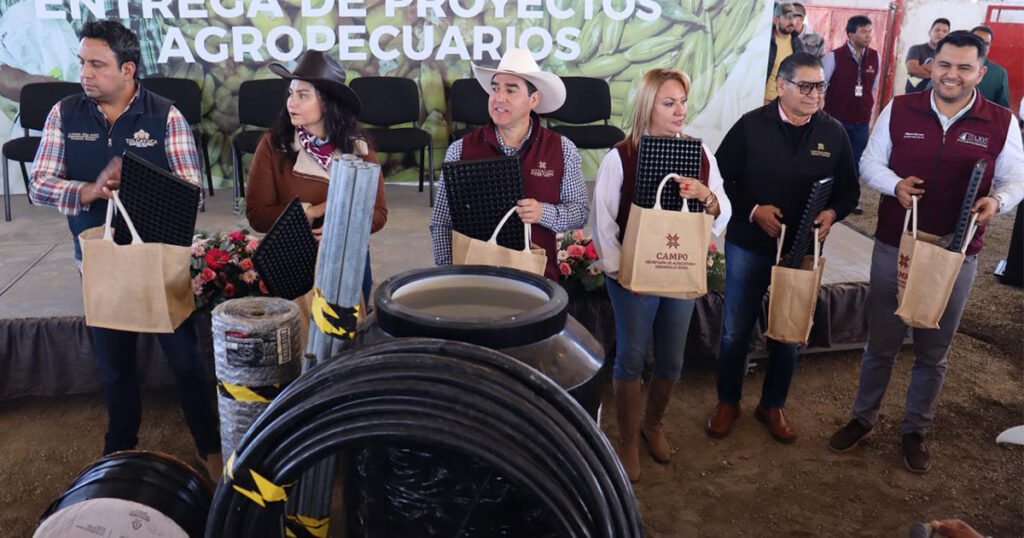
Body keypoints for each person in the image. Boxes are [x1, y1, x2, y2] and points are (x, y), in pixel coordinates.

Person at [28, 20, 221, 478]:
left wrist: (135, 187)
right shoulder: (64, 113)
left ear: (128, 69)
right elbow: (39, 184)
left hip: (160, 265)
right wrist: (89, 191)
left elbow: (191, 192)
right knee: (114, 369)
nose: (85, 73)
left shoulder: (164, 116)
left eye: (97, 64)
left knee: (187, 364)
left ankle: (210, 449)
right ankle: (118, 452)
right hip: (97, 266)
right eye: (82, 62)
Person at [828, 31, 1024, 473]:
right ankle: (863, 419)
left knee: (934, 349)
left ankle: (915, 429)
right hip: (895, 244)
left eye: (963, 67)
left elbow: (1016, 178)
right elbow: (870, 163)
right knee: (882, 342)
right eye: (945, 64)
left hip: (958, 252)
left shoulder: (1000, 121)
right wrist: (893, 184)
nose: (952, 75)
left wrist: (998, 201)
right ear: (931, 64)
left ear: (982, 71)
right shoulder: (899, 108)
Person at [708, 52, 860, 443]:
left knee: (790, 334)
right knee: (734, 331)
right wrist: (753, 210)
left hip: (801, 251)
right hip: (750, 244)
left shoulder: (833, 132)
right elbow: (720, 182)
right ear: (781, 86)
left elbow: (849, 192)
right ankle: (728, 401)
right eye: (805, 86)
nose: (814, 94)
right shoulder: (750, 126)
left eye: (820, 86)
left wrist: (831, 214)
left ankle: (772, 404)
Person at [592, 69, 732, 481]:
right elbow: (603, 224)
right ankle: (627, 441)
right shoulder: (621, 155)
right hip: (632, 278)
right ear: (647, 105)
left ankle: (652, 424)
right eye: (668, 103)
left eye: (683, 102)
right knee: (632, 356)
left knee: (672, 358)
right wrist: (624, 274)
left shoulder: (701, 152)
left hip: (679, 273)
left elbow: (722, 209)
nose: (679, 111)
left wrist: (705, 195)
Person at [429, 47, 588, 280]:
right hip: (474, 276)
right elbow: (442, 222)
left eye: (511, 90)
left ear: (533, 99)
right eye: (495, 89)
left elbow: (579, 212)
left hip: (539, 276)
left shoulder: (562, 149)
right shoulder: (460, 150)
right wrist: (447, 272)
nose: (499, 97)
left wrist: (543, 213)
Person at [245, 49, 387, 302]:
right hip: (291, 259)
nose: (292, 103)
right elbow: (257, 215)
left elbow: (378, 214)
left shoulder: (359, 149)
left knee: (349, 332)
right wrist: (311, 211)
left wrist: (342, 222)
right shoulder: (273, 145)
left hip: (348, 258)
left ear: (327, 102)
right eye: (290, 94)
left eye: (303, 95)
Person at [824, 15, 879, 191]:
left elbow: (873, 88)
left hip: (861, 121)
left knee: (856, 159)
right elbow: (821, 88)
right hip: (836, 120)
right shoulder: (833, 57)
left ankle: (850, 195)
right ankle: (828, 194)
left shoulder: (874, 57)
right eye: (863, 31)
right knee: (832, 158)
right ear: (850, 34)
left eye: (870, 31)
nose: (868, 35)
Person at [765, 3, 805, 105]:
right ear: (776, 20)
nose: (792, 22)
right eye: (787, 17)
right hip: (766, 101)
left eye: (794, 17)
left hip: (787, 102)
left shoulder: (797, 43)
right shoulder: (766, 42)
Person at [905, 18, 950, 94]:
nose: (940, 33)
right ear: (930, 32)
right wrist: (937, 75)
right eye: (937, 30)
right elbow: (912, 70)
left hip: (935, 96)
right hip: (914, 94)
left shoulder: (949, 54)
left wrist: (924, 67)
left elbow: (947, 76)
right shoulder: (916, 49)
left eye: (944, 31)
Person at [970, 25, 1010, 109]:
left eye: (986, 43)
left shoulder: (999, 73)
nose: (981, 45)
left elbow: (1003, 108)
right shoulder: (953, 65)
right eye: (977, 40)